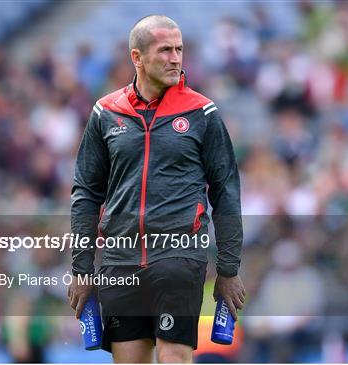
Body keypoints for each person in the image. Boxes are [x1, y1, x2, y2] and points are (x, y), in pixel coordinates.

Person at [67, 15, 246, 363]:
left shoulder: (202, 113)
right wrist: (81, 268)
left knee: (174, 355)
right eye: (165, 50)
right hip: (120, 259)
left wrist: (228, 270)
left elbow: (226, 192)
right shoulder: (105, 113)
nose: (175, 58)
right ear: (137, 57)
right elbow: (86, 194)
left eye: (179, 50)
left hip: (179, 256)